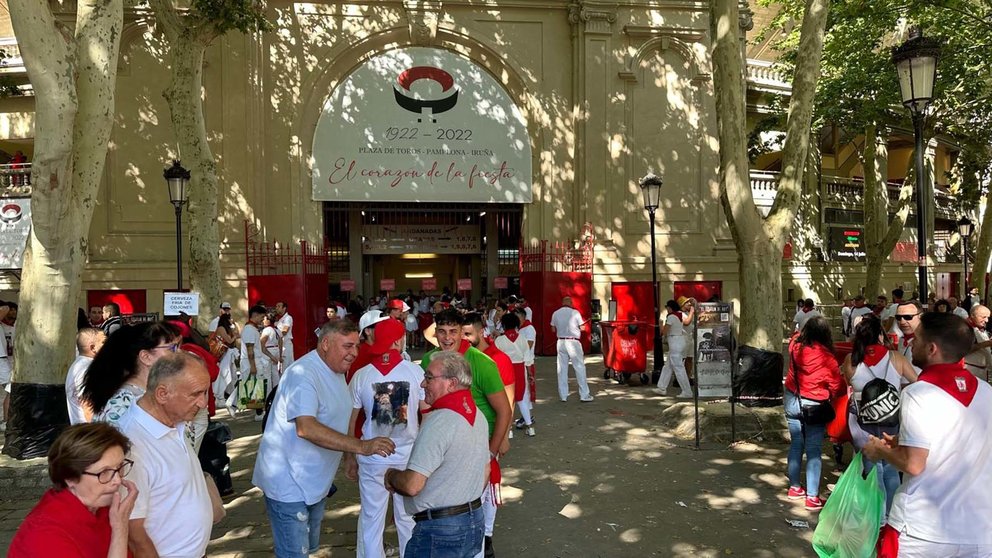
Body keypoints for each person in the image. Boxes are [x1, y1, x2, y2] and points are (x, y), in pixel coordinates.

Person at [253, 319, 395, 558]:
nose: (354, 353)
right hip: (289, 484)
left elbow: (339, 417)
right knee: (294, 554)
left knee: (308, 549)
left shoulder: (335, 370)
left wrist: (349, 456)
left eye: (356, 346)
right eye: (347, 346)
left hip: (314, 482)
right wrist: (361, 446)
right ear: (326, 343)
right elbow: (306, 428)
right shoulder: (304, 373)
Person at [865, 312, 992, 556]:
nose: (910, 343)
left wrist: (879, 450)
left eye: (917, 339)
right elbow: (965, 440)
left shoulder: (918, 393)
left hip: (923, 532)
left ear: (932, 348)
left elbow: (913, 464)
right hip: (979, 532)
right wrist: (904, 442)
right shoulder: (986, 392)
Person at [420, 309, 511, 558]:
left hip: (477, 449)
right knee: (443, 509)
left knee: (472, 511)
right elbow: (426, 404)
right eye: (442, 331)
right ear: (434, 332)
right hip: (441, 449)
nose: (447, 337)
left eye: (453, 331)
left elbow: (504, 410)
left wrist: (491, 451)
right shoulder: (429, 360)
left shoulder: (482, 363)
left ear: (463, 333)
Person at [384, 351, 490, 558]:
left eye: (429, 378)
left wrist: (391, 476)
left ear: (451, 383)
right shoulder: (476, 415)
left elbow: (412, 485)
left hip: (440, 529)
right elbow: (485, 470)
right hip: (473, 519)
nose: (423, 384)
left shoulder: (439, 421)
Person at [119, 352, 219, 557]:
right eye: (195, 394)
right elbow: (133, 533)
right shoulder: (132, 445)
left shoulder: (176, 420)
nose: (202, 403)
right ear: (162, 394)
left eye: (205, 393)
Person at [346, 318, 427, 558]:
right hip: (409, 459)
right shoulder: (415, 372)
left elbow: (350, 421)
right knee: (408, 519)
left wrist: (349, 455)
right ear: (398, 340)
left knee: (371, 520)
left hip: (371, 458)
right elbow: (428, 415)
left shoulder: (361, 375)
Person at [8, 423, 138, 557]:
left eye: (120, 466)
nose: (117, 480)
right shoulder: (44, 533)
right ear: (70, 477)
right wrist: (120, 529)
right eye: (104, 472)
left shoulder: (100, 508)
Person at [840, 314, 917, 513]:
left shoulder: (851, 360)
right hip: (891, 418)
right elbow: (916, 381)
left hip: (861, 421)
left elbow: (849, 383)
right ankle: (890, 514)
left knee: (871, 466)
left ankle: (877, 516)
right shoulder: (895, 358)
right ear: (881, 336)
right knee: (891, 467)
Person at [784, 316, 844, 511]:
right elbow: (836, 386)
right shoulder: (828, 358)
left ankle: (794, 487)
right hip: (815, 404)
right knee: (814, 450)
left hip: (793, 398)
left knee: (796, 443)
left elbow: (795, 335)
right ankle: (812, 497)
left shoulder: (794, 345)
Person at [83, 321, 182, 426]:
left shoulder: (147, 394)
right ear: (146, 357)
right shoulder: (123, 404)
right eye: (172, 348)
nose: (180, 353)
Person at [550, 296, 592, 402]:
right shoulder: (575, 313)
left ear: (563, 302)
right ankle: (584, 395)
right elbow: (583, 328)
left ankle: (563, 395)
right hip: (573, 342)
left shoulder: (555, 313)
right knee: (579, 367)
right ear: (570, 303)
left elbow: (553, 329)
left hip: (561, 342)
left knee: (561, 369)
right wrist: (577, 328)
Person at [66, 328, 107, 424]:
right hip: (90, 432)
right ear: (92, 348)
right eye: (104, 342)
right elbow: (88, 406)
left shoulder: (81, 365)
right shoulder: (86, 369)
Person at [655, 300, 693, 398]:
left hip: (674, 342)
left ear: (670, 308)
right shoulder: (680, 314)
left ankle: (687, 391)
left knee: (678, 368)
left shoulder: (671, 317)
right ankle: (661, 387)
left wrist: (660, 324)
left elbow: (664, 331)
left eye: (667, 307)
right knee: (668, 366)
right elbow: (687, 322)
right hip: (679, 341)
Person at [241, 305, 266, 421]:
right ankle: (258, 412)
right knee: (256, 387)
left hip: (253, 361)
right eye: (262, 317)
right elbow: (250, 349)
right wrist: (253, 366)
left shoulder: (251, 328)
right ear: (255, 315)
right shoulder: (250, 329)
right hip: (252, 361)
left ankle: (258, 411)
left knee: (254, 386)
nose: (263, 320)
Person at [964, 304, 992, 382]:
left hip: (982, 371)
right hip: (971, 370)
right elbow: (964, 349)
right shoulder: (964, 328)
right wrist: (987, 343)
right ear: (973, 316)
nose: (987, 320)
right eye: (983, 317)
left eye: (988, 317)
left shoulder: (980, 326)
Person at [893, 300, 922, 371]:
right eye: (898, 317)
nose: (902, 321)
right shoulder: (902, 339)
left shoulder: (928, 341)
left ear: (920, 316)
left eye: (908, 317)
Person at [275, 301, 296, 369]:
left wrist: (274, 335)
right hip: (280, 345)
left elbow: (284, 331)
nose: (277, 308)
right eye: (276, 306)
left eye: (279, 306)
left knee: (286, 367)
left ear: (284, 308)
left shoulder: (288, 318)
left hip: (286, 346)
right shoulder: (279, 319)